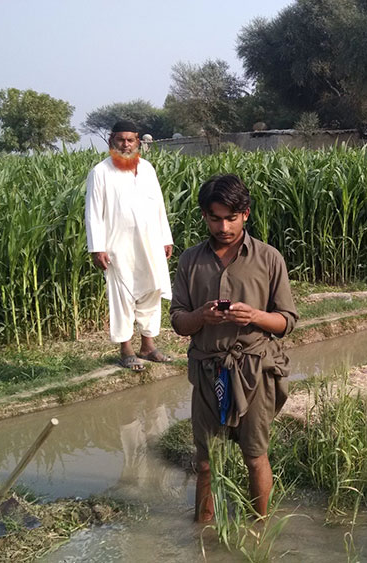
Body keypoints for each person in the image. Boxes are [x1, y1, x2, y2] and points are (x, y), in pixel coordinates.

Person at [169, 174, 298, 522]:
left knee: (254, 455)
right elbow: (179, 321)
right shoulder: (190, 261)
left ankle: (260, 528)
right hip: (208, 371)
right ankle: (203, 531)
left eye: (231, 217)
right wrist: (201, 316)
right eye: (215, 218)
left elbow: (286, 322)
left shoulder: (269, 259)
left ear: (246, 214)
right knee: (205, 461)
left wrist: (255, 315)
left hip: (254, 369)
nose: (223, 226)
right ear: (204, 217)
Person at [85, 120, 174, 371]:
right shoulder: (100, 172)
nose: (126, 144)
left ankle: (148, 346)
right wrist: (97, 247)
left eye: (130, 140)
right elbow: (93, 213)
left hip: (150, 243)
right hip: (117, 246)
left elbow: (159, 206)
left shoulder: (146, 169)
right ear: (112, 140)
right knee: (122, 295)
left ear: (138, 142)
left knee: (151, 290)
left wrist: (165, 238)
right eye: (121, 140)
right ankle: (126, 349)